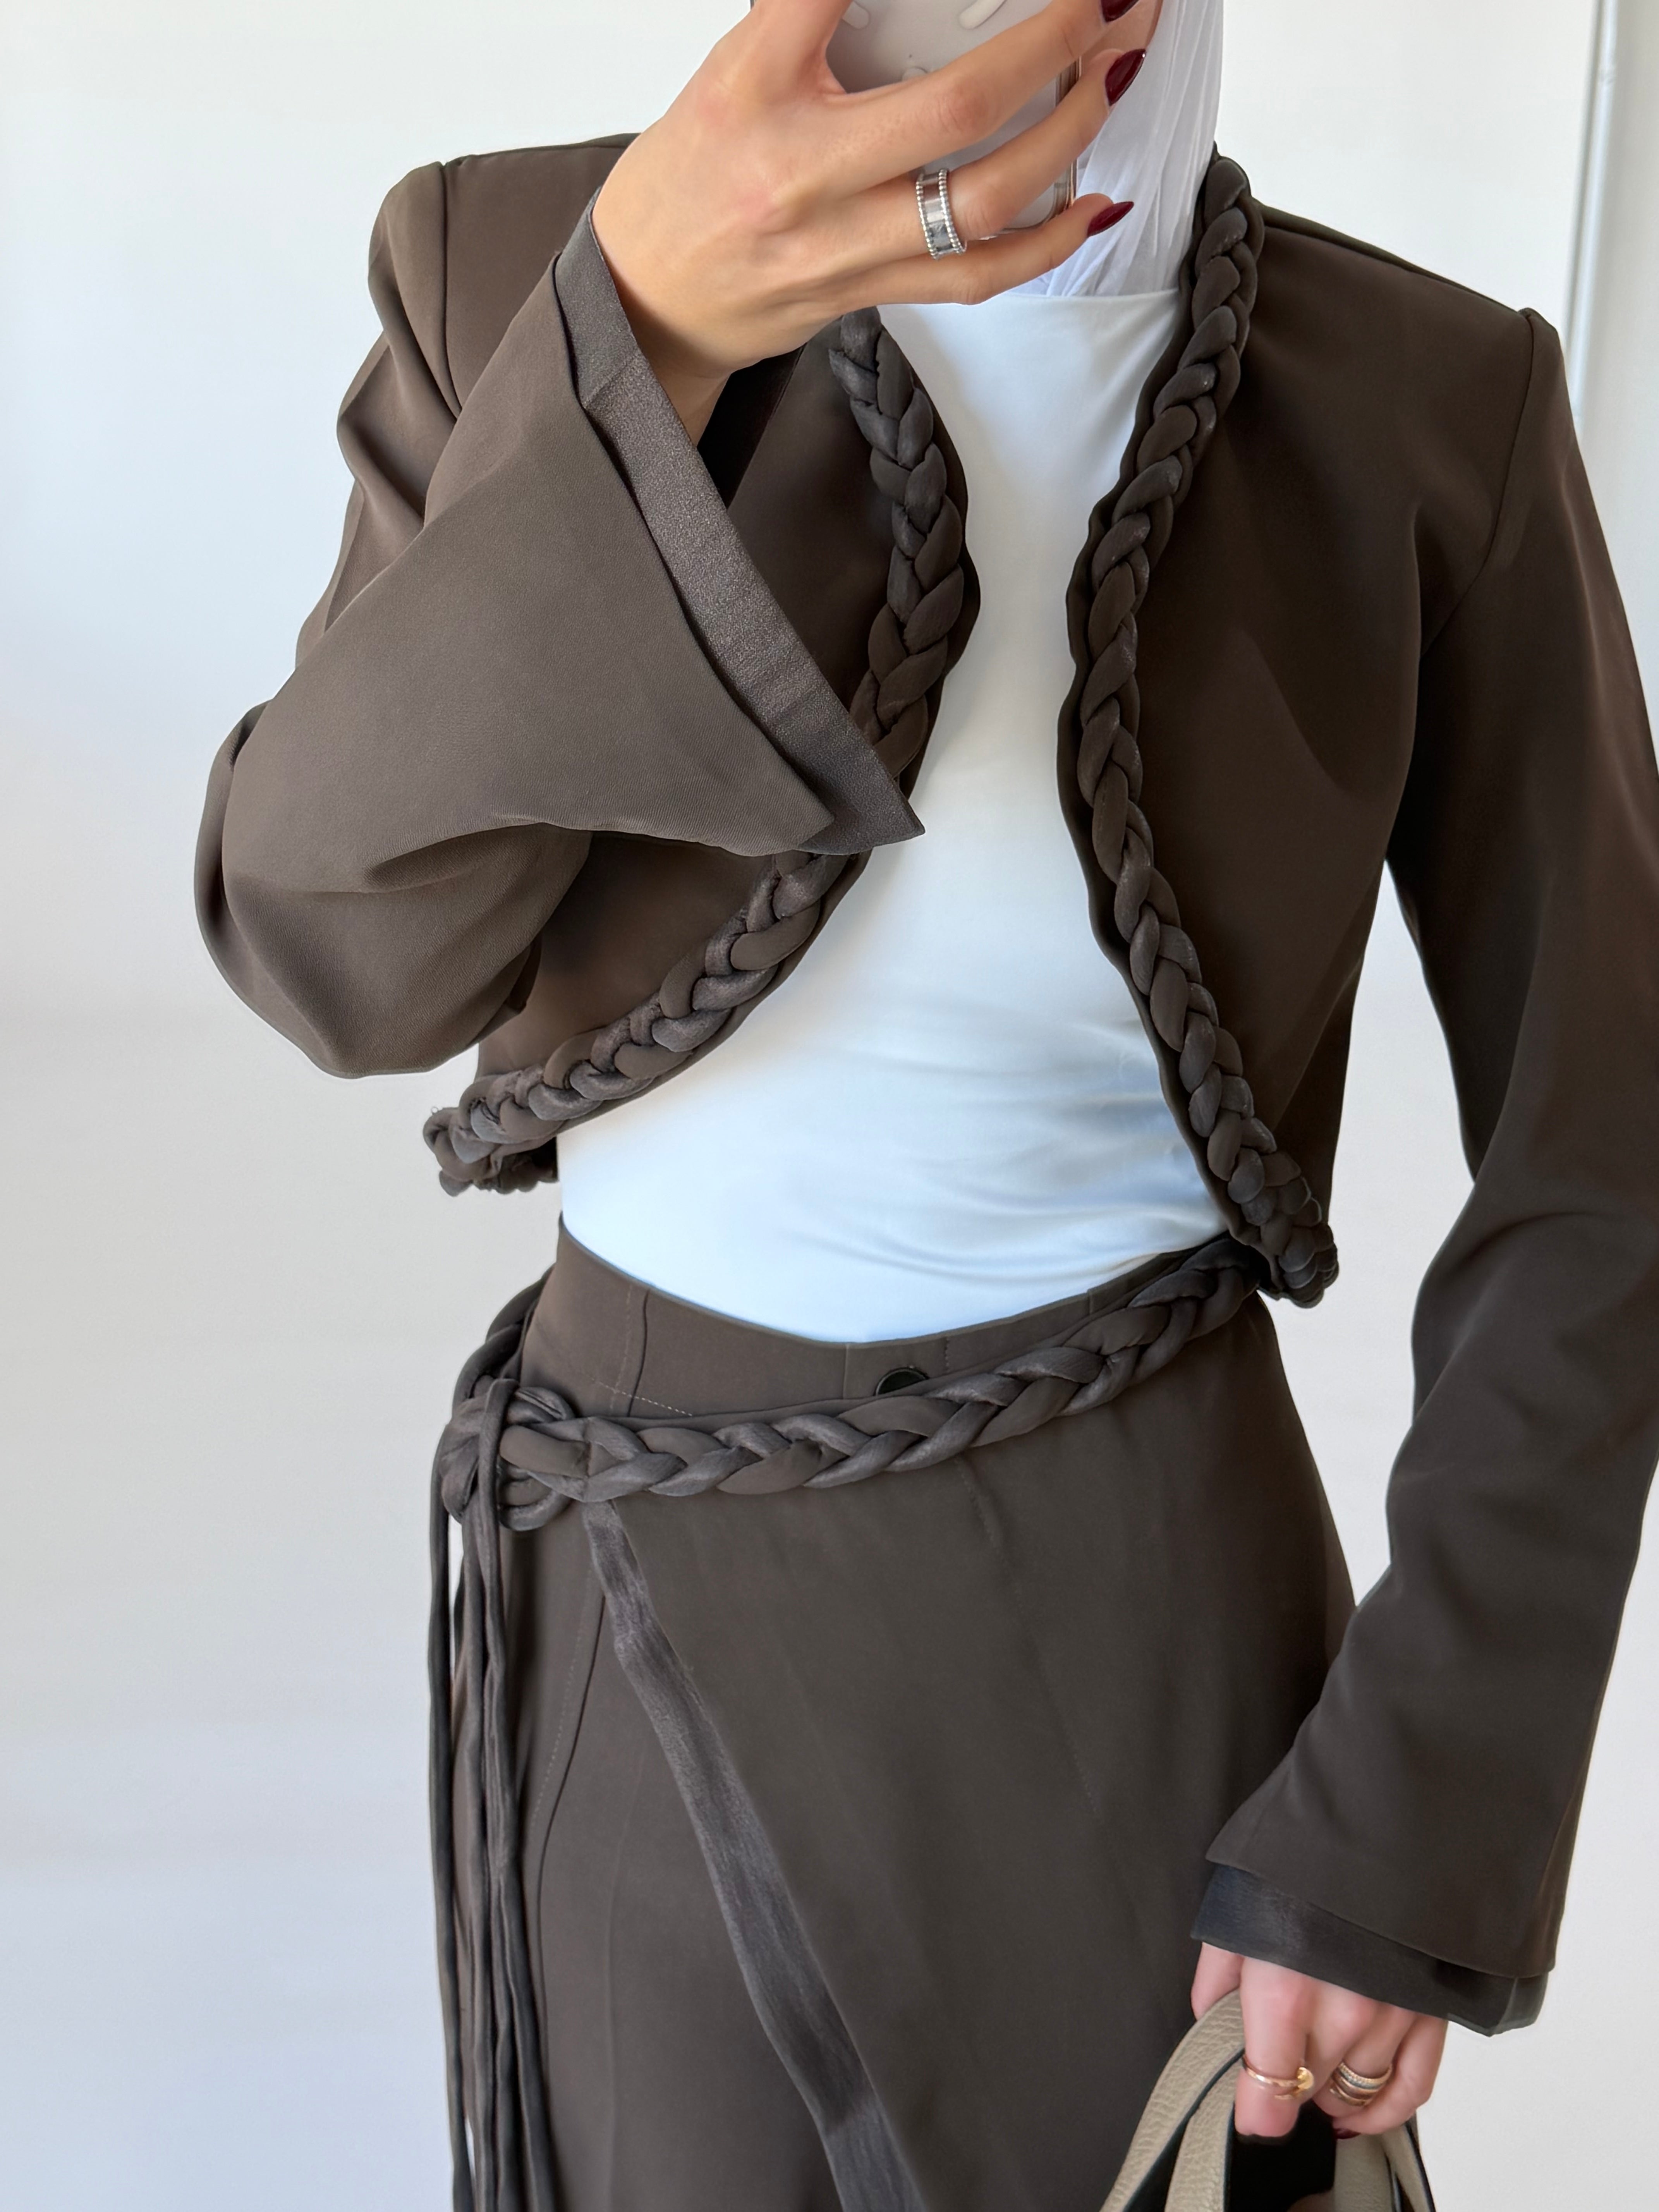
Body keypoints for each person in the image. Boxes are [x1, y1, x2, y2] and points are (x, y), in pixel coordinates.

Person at [194, 1, 1659, 2206]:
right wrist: (643, 338)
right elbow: (331, 952)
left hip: (1147, 1669)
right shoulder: (502, 265)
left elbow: (1609, 1152)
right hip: (629, 1601)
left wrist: (1415, 1813)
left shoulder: (1429, 404)